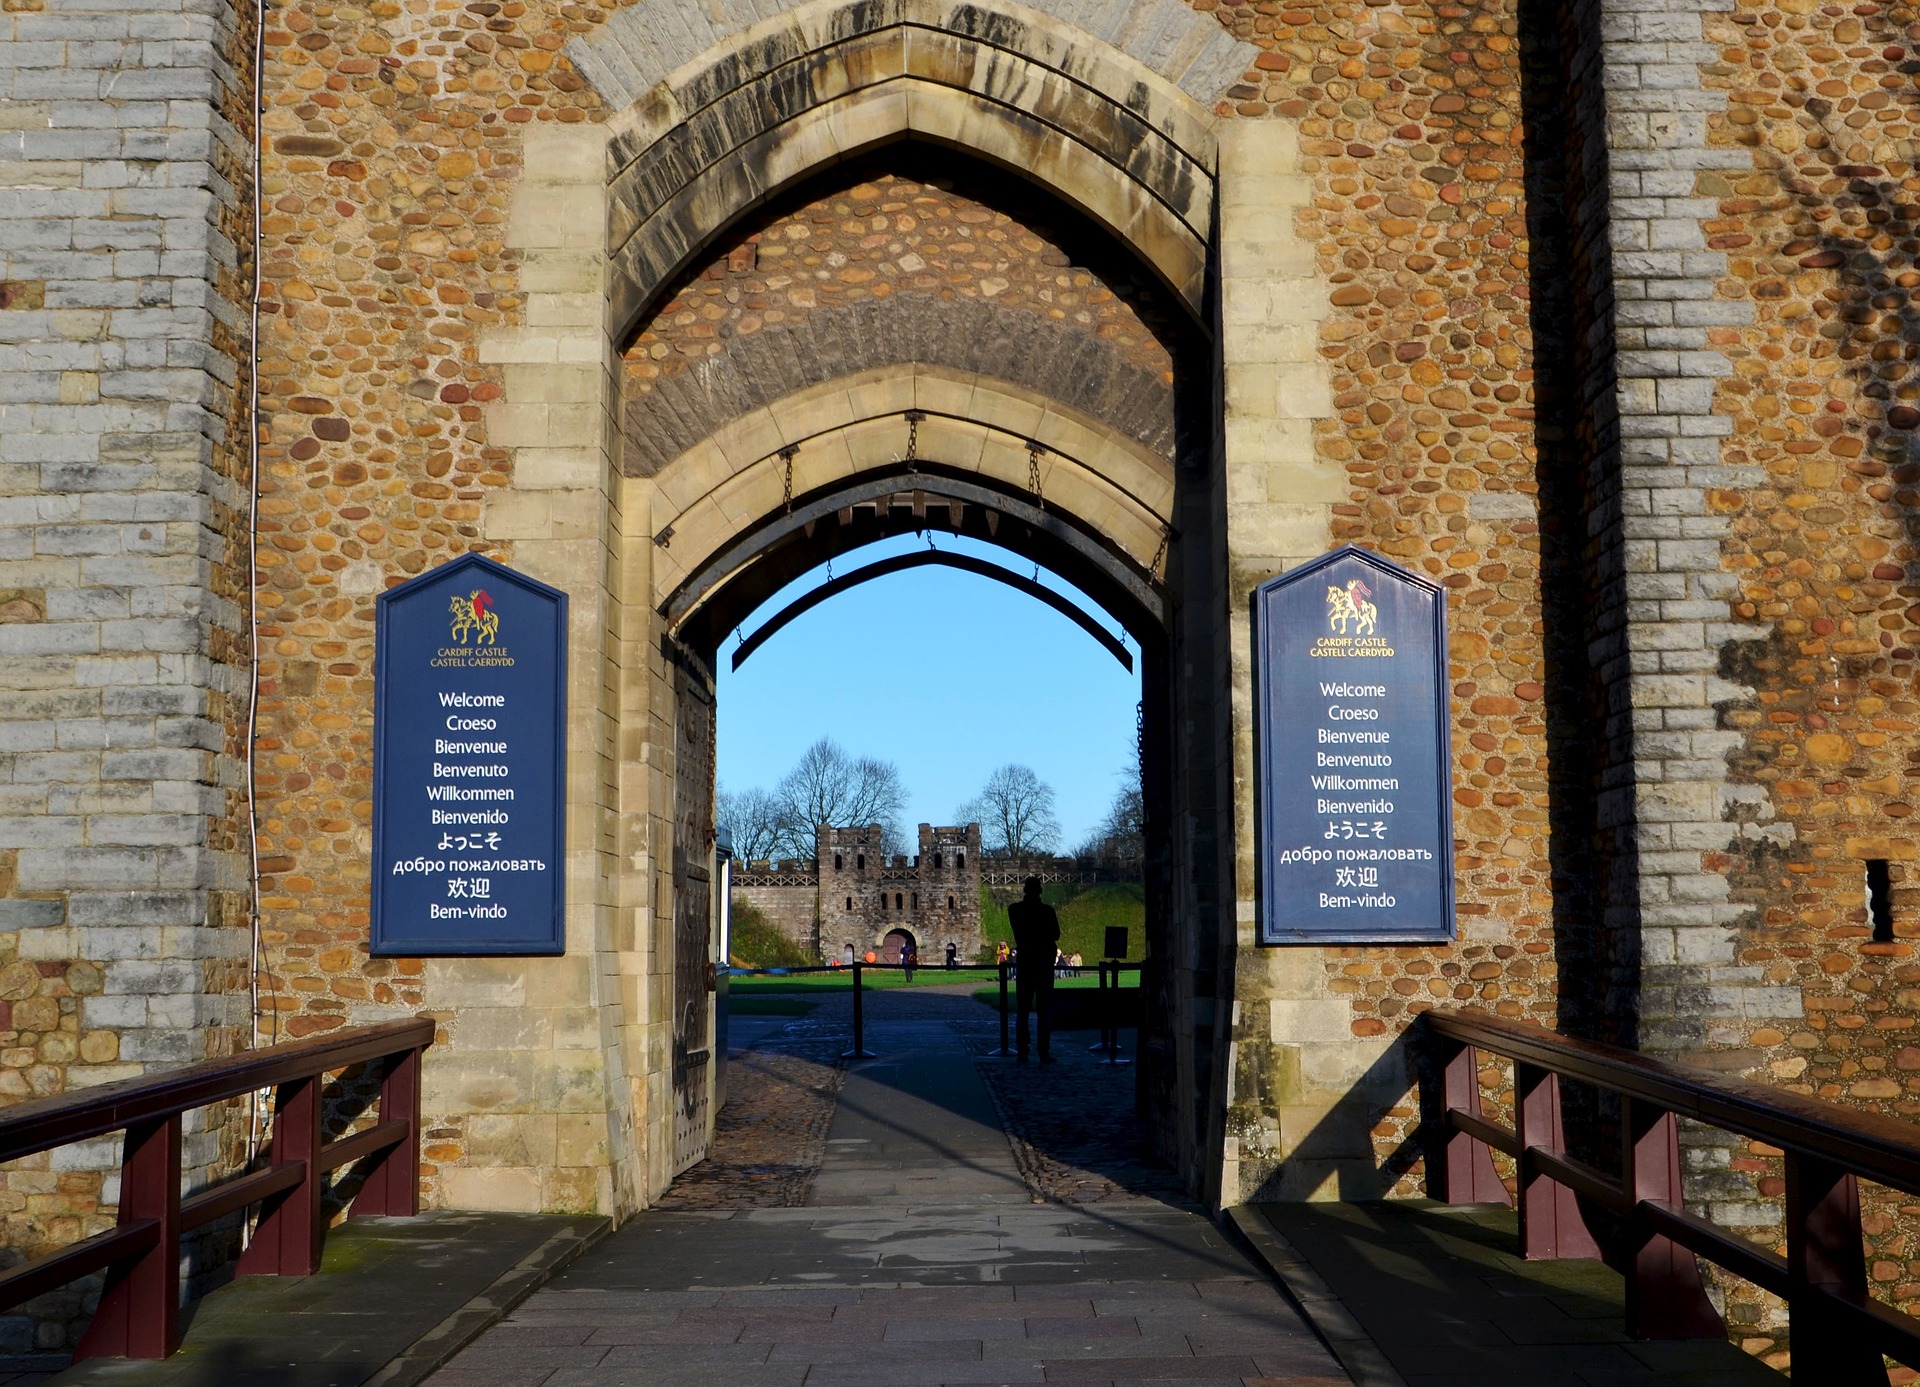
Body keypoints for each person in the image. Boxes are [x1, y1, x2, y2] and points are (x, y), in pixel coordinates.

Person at [1007, 876, 1060, 1062]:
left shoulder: (1015, 910)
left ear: (1024, 890)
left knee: (1023, 1009)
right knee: (1044, 1009)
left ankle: (1023, 1049)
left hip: (1026, 962)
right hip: (1042, 963)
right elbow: (1056, 934)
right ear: (1040, 891)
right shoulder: (1047, 911)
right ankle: (1043, 1050)